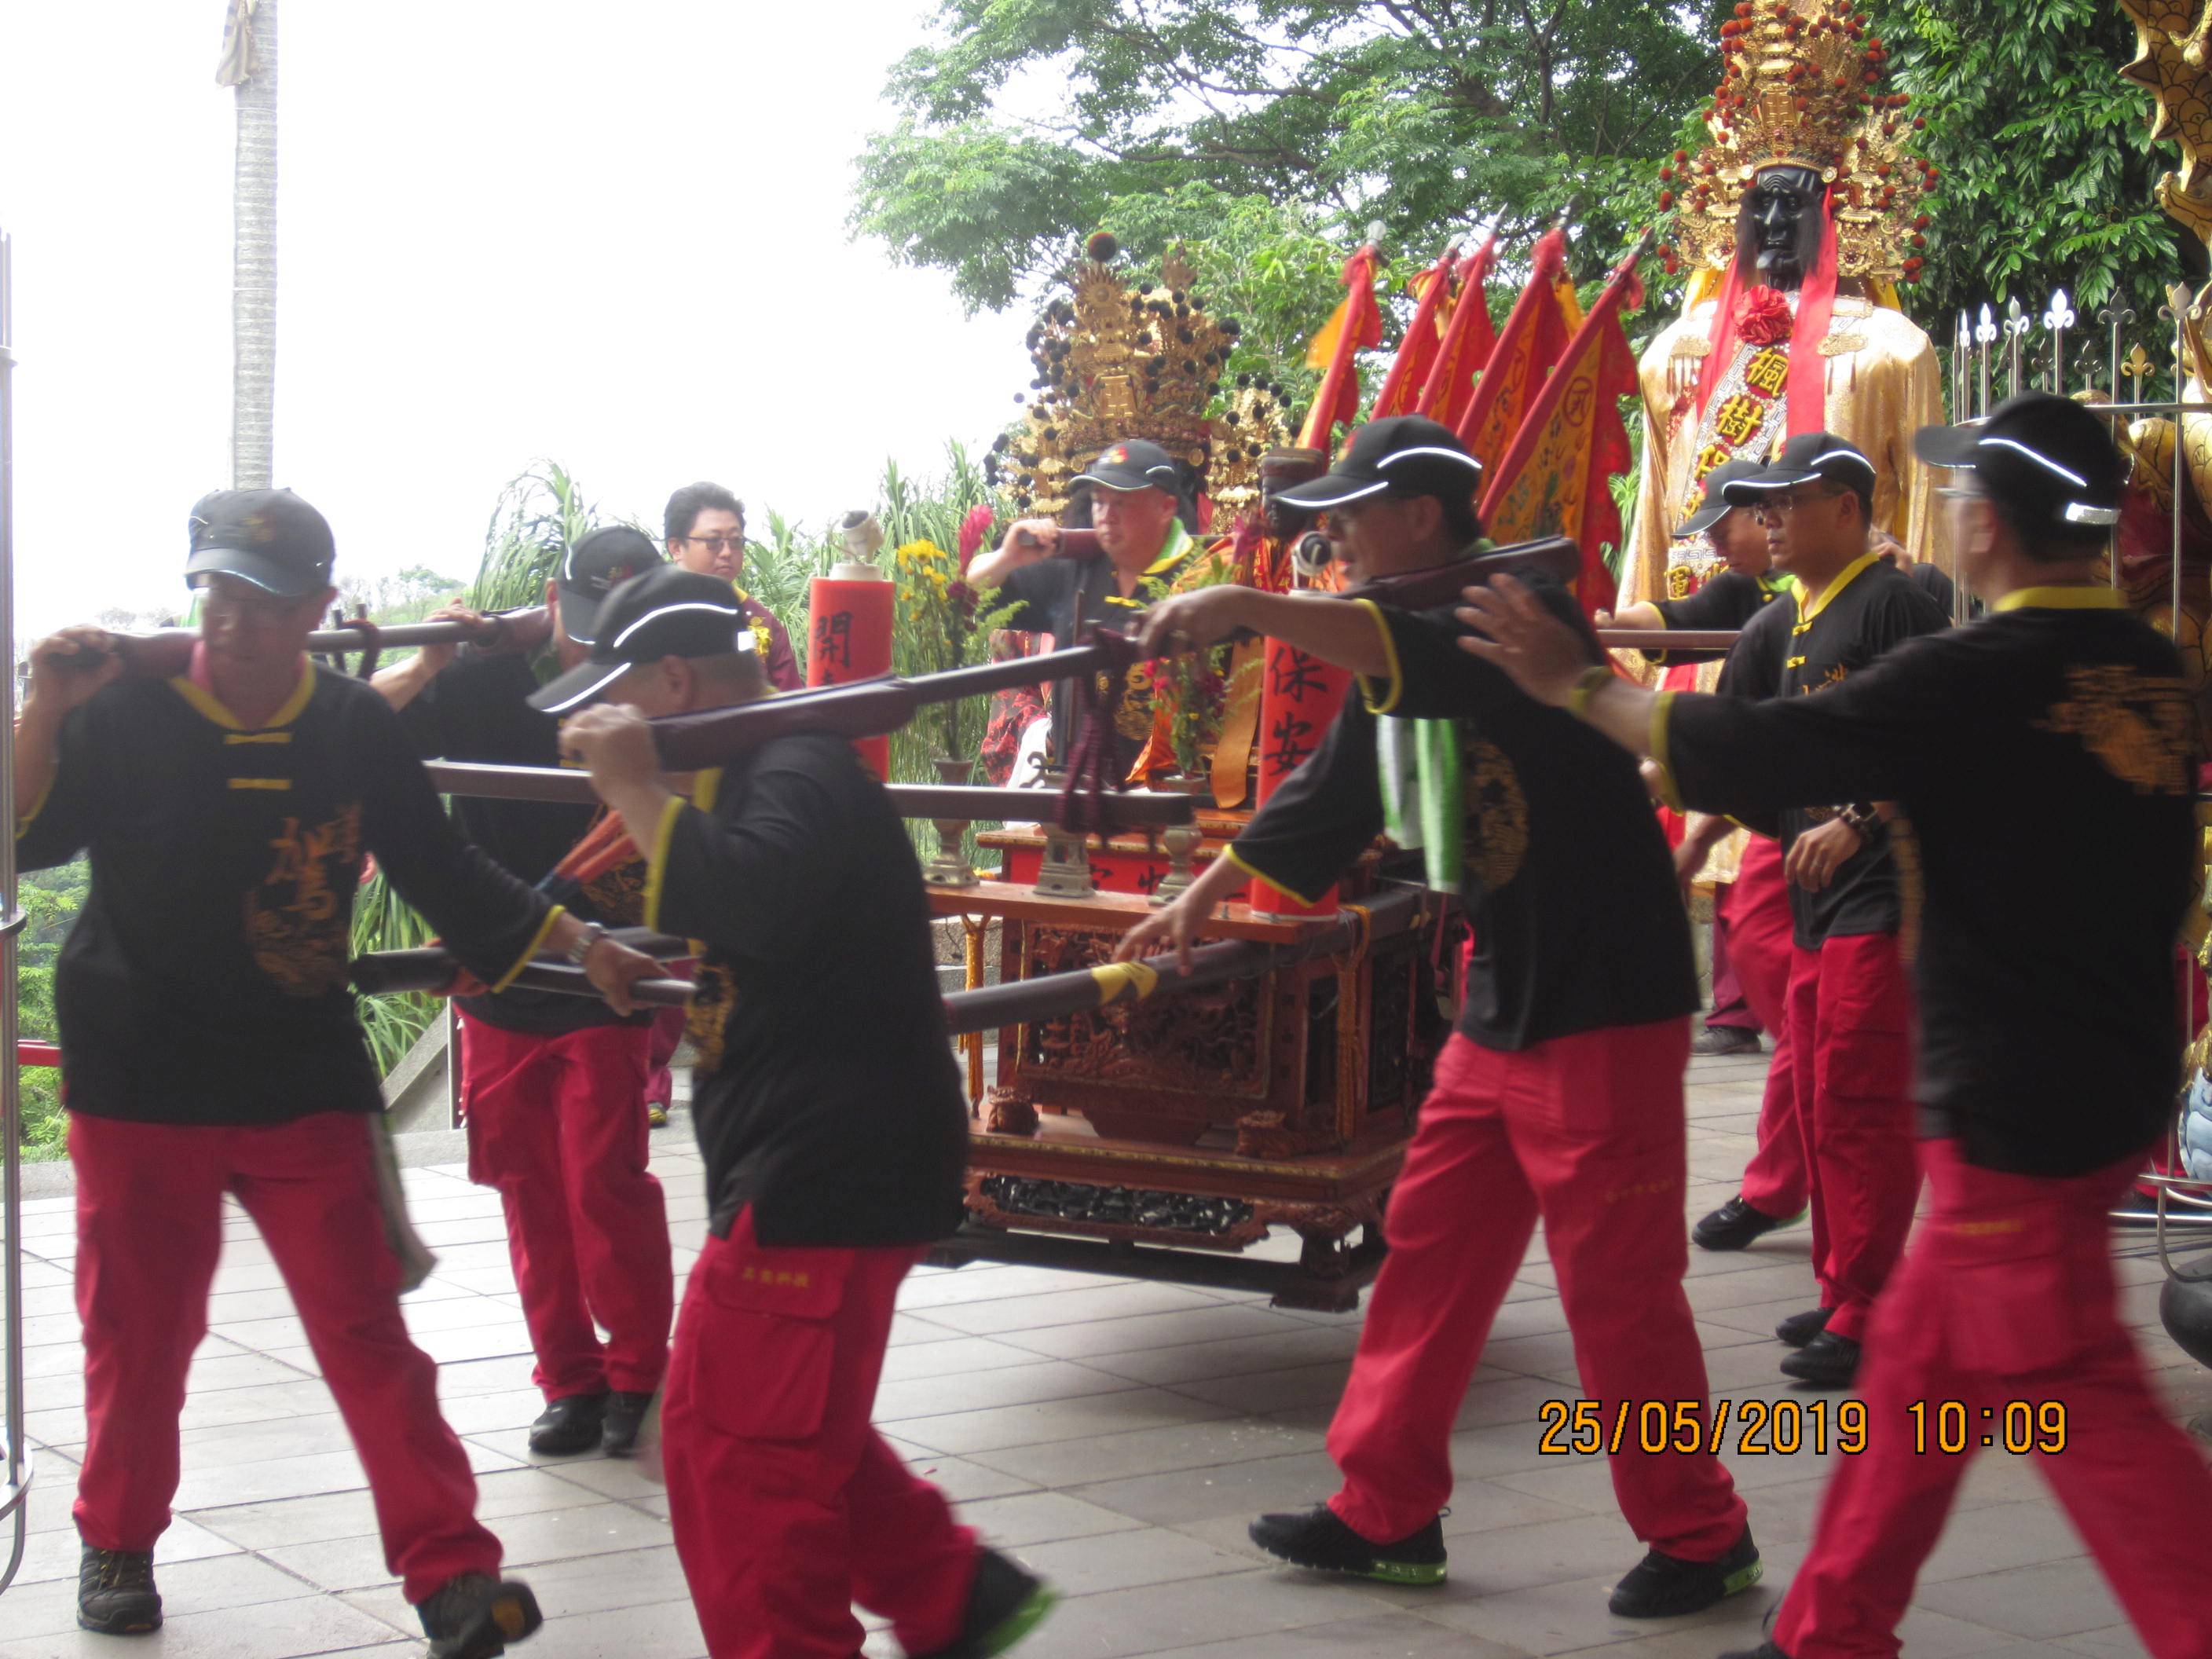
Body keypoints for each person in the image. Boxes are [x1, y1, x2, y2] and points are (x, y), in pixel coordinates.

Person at [1456, 390, 2212, 1659]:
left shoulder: (1975, 673)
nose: (1950, 509)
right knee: (1919, 1378)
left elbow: (1768, 743)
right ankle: (1829, 1627)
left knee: (2082, 1405)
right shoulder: (2151, 668)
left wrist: (1573, 682)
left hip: (2017, 1104)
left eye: (1964, 491)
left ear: (1992, 522)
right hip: (2103, 1082)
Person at [1115, 416, 1758, 1619]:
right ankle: (1386, 1509)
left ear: (1420, 514)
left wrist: (1246, 605)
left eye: (1353, 517)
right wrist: (1203, 896)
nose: (1339, 541)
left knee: (1618, 1288)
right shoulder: (1401, 639)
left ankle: (1702, 1533)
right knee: (1429, 1253)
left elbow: (1402, 646)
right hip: (1502, 999)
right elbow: (1334, 785)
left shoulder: (1520, 612)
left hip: (1604, 1001)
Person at [21, 489, 660, 1654]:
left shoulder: (354, 724)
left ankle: (452, 1573)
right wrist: (44, 705)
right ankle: (117, 1538)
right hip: (140, 1077)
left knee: (367, 1332)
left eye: (265, 602)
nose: (234, 622)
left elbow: (444, 870)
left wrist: (586, 945)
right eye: (217, 593)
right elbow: (22, 839)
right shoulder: (125, 712)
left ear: (318, 607)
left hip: (299, 1074)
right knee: (137, 1333)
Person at [544, 565, 1057, 1659]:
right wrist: (628, 950)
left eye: (612, 699)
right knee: (786, 1426)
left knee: (732, 1455)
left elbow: (757, 898)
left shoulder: (798, 770)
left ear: (671, 683)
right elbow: (756, 919)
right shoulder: (763, 771)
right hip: (836, 1159)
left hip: (822, 1168)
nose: (596, 730)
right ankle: (951, 1592)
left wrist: (633, 786)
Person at [371, 525, 675, 1459]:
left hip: (607, 976)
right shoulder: (476, 682)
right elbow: (357, 735)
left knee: (604, 1185)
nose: (593, 648)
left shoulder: (655, 694)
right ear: (551, 601)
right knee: (527, 1192)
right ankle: (569, 1379)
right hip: (499, 973)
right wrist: (425, 660)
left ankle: (637, 1368)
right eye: (582, 624)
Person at [1697, 433, 1946, 1385]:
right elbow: (1728, 744)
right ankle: (1844, 1286)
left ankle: (1870, 1310)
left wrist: (1856, 816)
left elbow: (1937, 735)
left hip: (1888, 893)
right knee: (1816, 1100)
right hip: (1815, 901)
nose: (1766, 520)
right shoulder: (1775, 623)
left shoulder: (1894, 602)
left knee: (1859, 1102)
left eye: (1785, 502)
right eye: (1759, 505)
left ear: (1845, 509)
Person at [1610, 458, 1796, 1064]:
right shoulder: (1749, 595)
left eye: (1723, 527)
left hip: (1854, 820)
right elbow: (1678, 618)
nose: (1714, 543)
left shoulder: (1885, 593)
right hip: (1783, 806)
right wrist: (1607, 624)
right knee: (1758, 927)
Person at [966, 438, 1202, 777]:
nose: (1107, 516)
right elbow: (971, 593)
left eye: (1121, 503)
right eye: (1099, 502)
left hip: (1168, 788)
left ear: (1166, 508)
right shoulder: (1075, 569)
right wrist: (1008, 557)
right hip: (1076, 788)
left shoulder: (1202, 573)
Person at [662, 480, 801, 692]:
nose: (727, 552)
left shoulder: (762, 622)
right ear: (676, 548)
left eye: (735, 541)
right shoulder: (650, 617)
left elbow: (792, 701)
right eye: (713, 541)